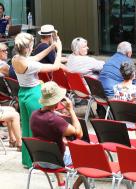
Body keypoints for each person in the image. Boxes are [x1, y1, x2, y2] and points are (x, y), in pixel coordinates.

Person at [12, 32, 63, 168]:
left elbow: (34, 57)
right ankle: (39, 160)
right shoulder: (30, 65)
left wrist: (52, 46)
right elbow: (56, 67)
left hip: (22, 94)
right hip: (33, 93)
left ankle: (28, 161)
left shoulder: (16, 58)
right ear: (28, 48)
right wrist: (60, 50)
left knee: (27, 128)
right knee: (38, 129)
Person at [30, 82, 84, 189]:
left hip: (40, 158)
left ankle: (62, 185)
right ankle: (75, 187)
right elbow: (79, 133)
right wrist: (71, 110)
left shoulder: (34, 115)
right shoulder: (55, 120)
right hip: (56, 161)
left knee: (56, 145)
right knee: (95, 155)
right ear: (57, 101)